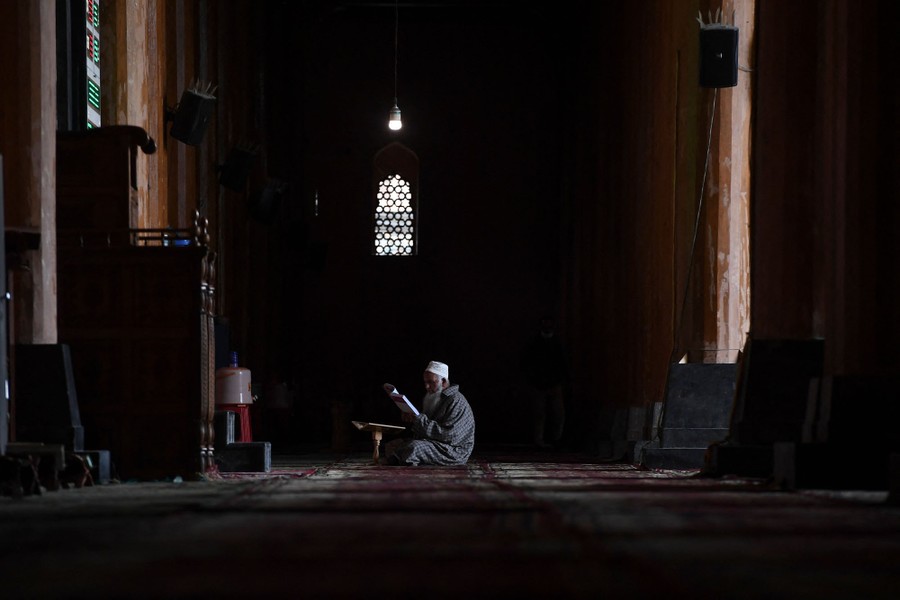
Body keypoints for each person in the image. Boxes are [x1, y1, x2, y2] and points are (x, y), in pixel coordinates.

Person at [383, 361, 475, 466]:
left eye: (431, 382)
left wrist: (419, 419)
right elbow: (426, 428)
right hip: (437, 444)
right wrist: (411, 418)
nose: (426, 386)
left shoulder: (456, 400)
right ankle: (399, 458)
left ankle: (399, 459)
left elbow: (449, 436)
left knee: (414, 447)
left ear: (443, 381)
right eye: (425, 382)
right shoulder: (436, 397)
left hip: (454, 450)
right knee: (393, 445)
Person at [520, 316, 567, 448]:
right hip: (538, 384)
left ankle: (557, 439)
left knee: (558, 414)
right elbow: (526, 363)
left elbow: (563, 363)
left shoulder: (557, 343)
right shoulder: (534, 343)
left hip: (554, 383)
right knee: (539, 414)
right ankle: (539, 440)